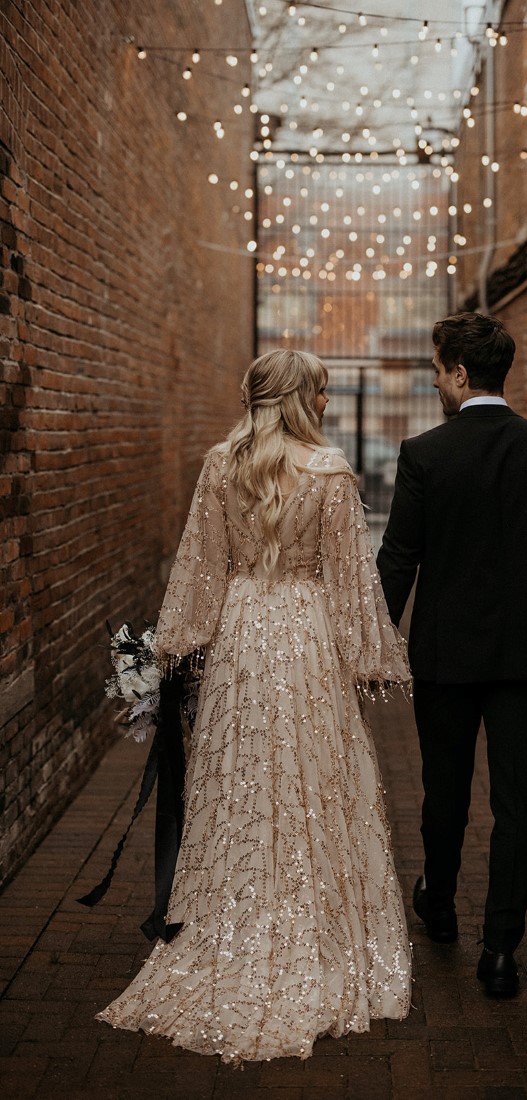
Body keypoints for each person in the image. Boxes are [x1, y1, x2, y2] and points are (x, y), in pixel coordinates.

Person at [98, 349, 412, 1062]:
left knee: (240, 776)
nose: (328, 402)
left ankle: (233, 919)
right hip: (305, 637)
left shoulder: (219, 465)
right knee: (312, 777)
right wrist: (369, 659)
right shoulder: (329, 472)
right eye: (322, 391)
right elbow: (350, 579)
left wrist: (171, 650)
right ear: (303, 398)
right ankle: (317, 928)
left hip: (241, 635)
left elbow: (200, 568)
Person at [376, 312, 527, 997]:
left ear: (462, 375)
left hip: (445, 653)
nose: (436, 382)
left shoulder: (424, 454)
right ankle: (500, 952)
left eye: (439, 371)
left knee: (445, 794)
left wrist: (378, 636)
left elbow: (399, 558)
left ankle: (439, 908)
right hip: (526, 656)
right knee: (517, 800)